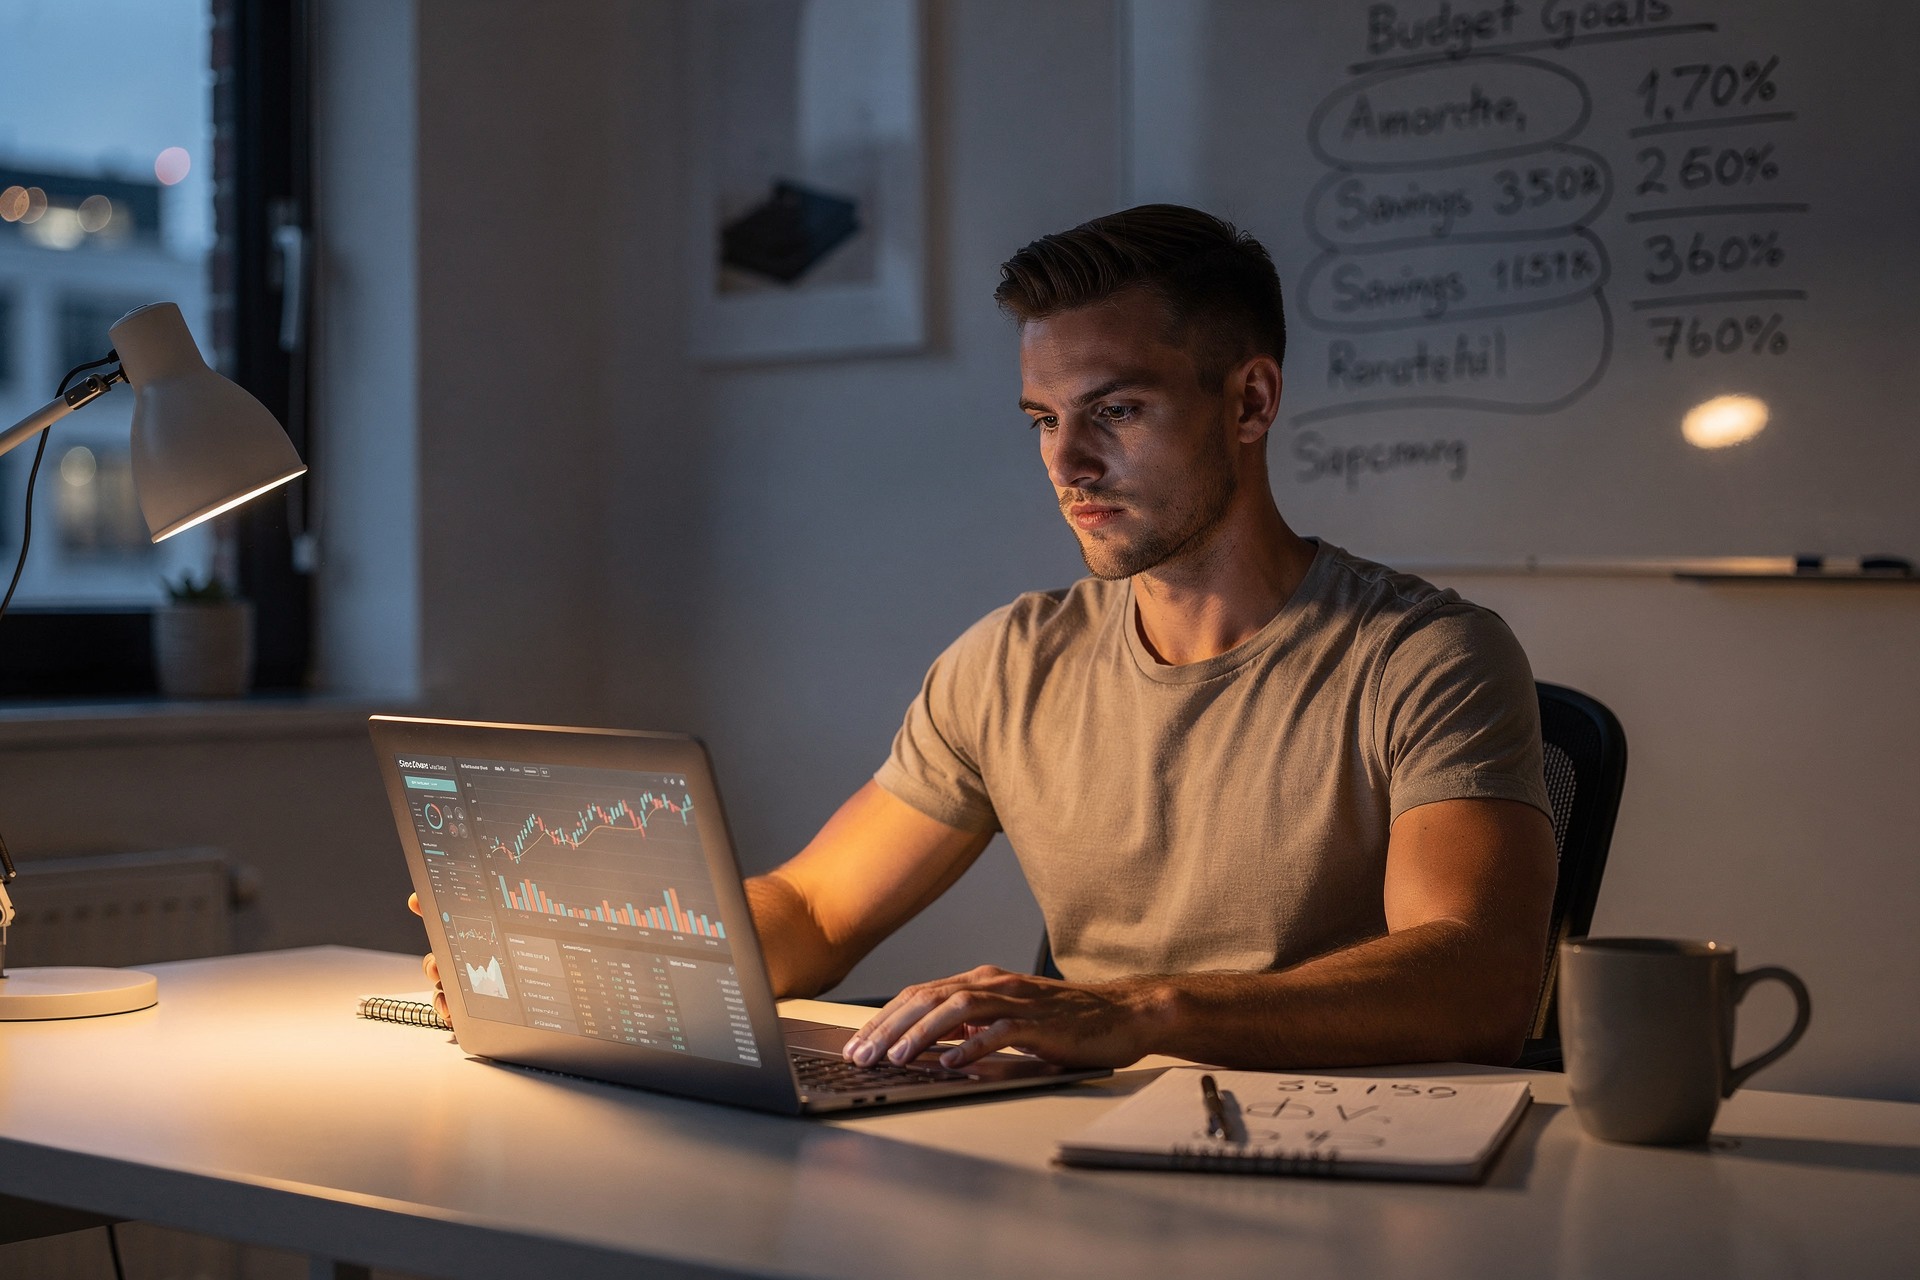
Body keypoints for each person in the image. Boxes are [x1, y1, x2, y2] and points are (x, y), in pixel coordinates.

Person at [417, 205, 1557, 1075]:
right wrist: (589, 954)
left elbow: (1479, 973)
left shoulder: (1424, 658)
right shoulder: (1012, 661)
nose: (1066, 465)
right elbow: (816, 910)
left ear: (1249, 403)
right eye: (1043, 421)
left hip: (1346, 1170)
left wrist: (1137, 1008)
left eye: (1114, 411)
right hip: (1078, 1152)